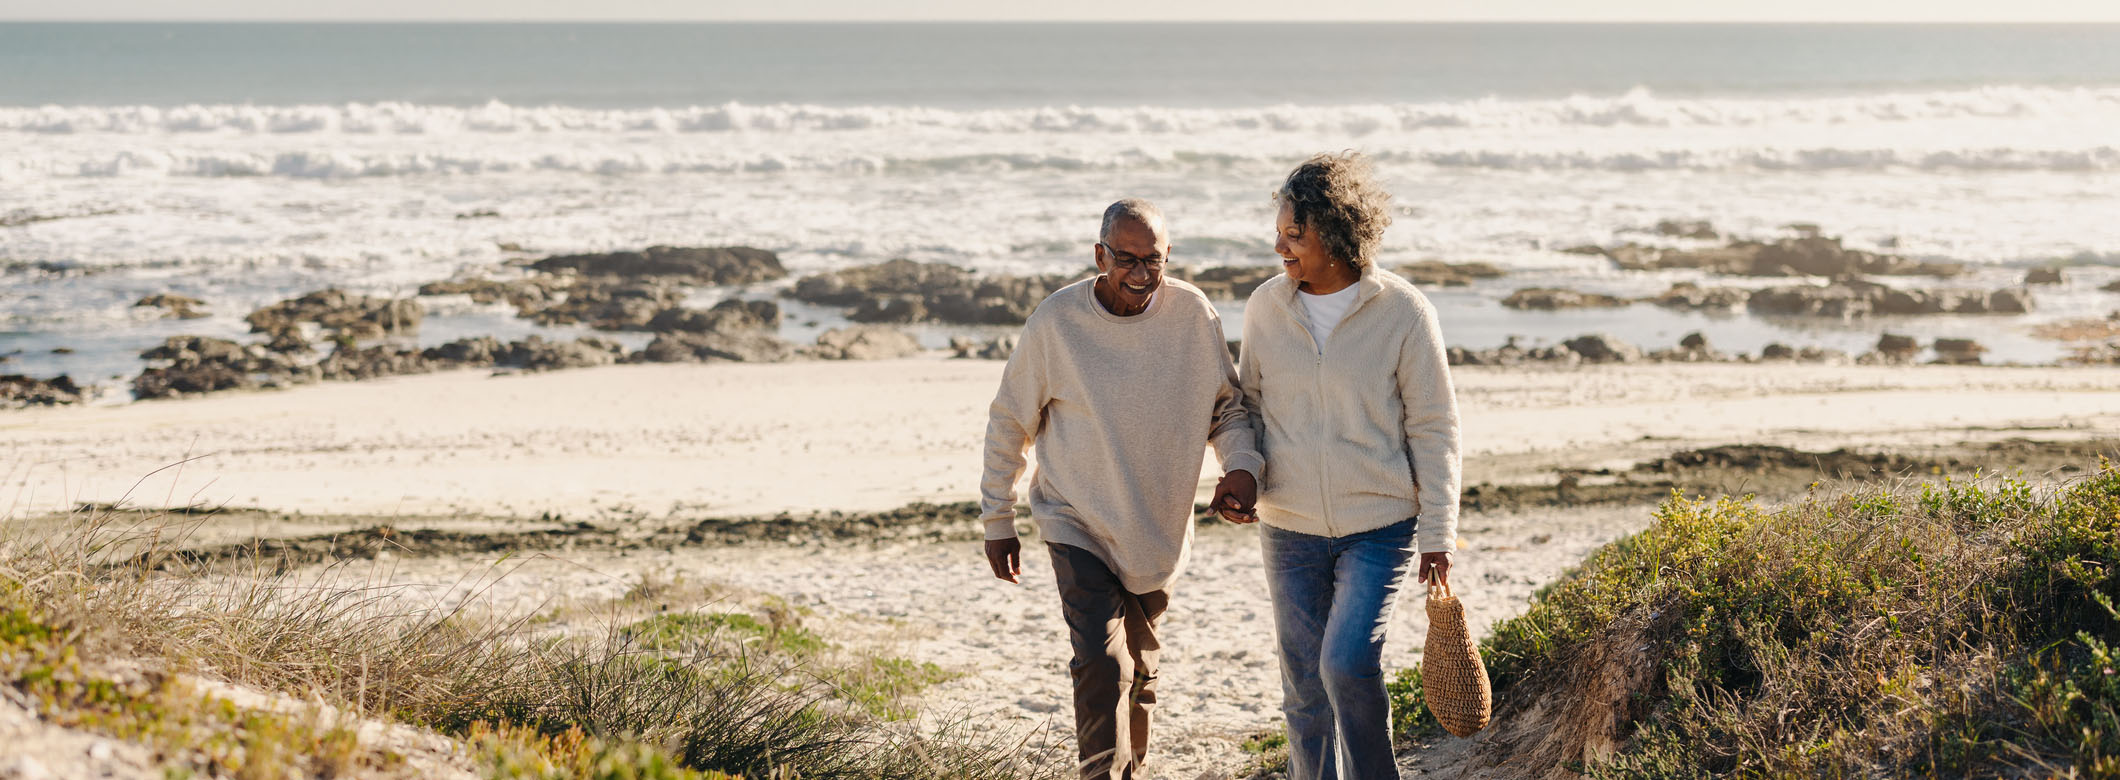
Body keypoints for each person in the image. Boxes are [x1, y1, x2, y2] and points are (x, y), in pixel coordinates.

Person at [980, 198, 1264, 780]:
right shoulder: (1057, 323)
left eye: (1152, 261)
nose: (1139, 275)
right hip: (1074, 516)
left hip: (1156, 528)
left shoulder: (1192, 314)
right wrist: (998, 518)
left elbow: (1228, 409)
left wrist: (1241, 467)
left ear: (1169, 257)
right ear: (1099, 255)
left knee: (1140, 675)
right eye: (1125, 259)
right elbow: (1010, 421)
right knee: (1102, 663)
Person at [1227, 152, 1462, 779]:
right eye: (1279, 230)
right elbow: (1247, 406)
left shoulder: (1405, 313)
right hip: (1290, 526)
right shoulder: (1265, 309)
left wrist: (1438, 535)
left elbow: (1435, 429)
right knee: (1304, 687)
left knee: (1347, 664)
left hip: (1379, 527)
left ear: (1334, 234)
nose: (1278, 245)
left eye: (1293, 234)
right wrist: (1241, 473)